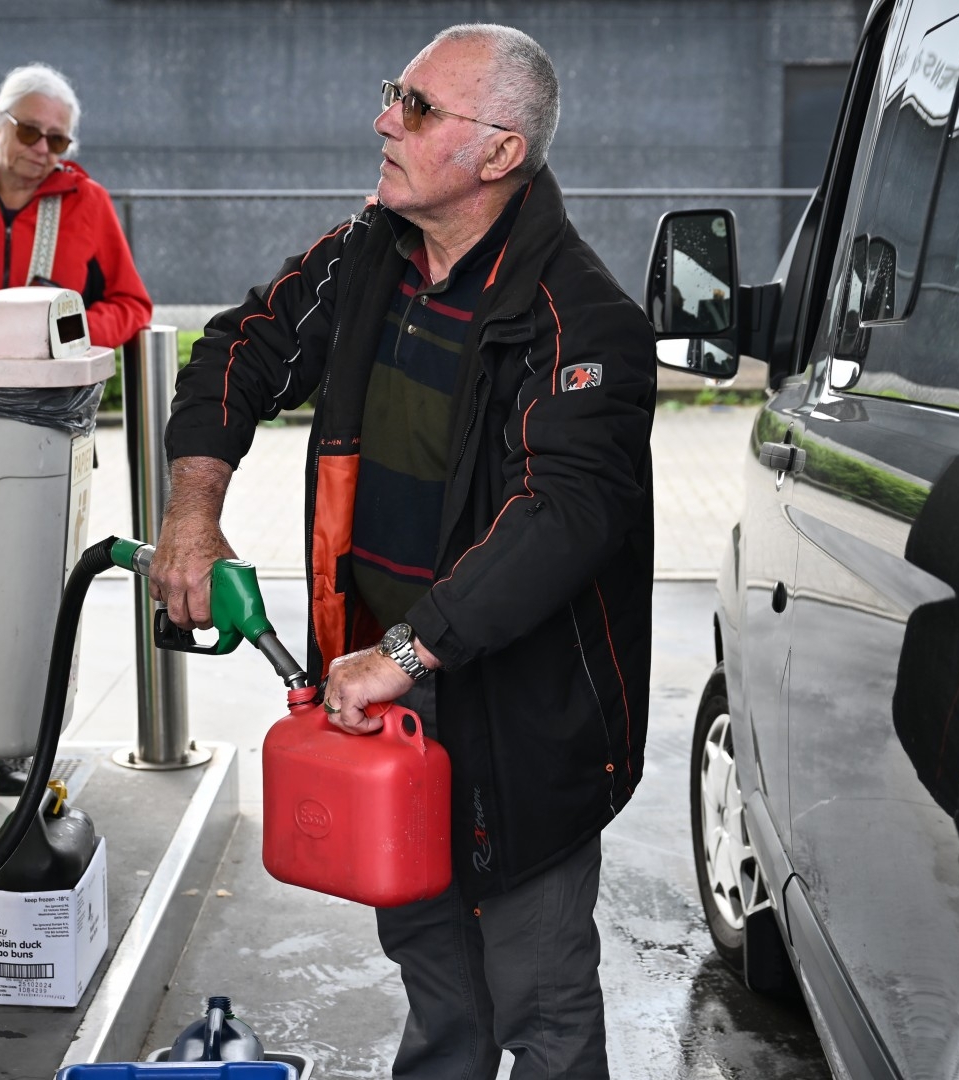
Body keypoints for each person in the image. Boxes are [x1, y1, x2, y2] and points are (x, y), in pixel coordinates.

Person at [153, 24, 656, 1080]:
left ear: (500, 152)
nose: (385, 119)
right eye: (396, 94)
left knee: (543, 1007)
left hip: (525, 723)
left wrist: (413, 649)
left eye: (418, 107)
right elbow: (237, 351)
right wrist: (194, 510)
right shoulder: (364, 259)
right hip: (389, 703)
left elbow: (561, 516)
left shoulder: (583, 321)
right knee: (435, 981)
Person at [0, 63, 152, 348]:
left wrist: (67, 333)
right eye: (29, 131)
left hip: (53, 386)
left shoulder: (87, 201)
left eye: (56, 140)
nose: (42, 149)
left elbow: (131, 305)